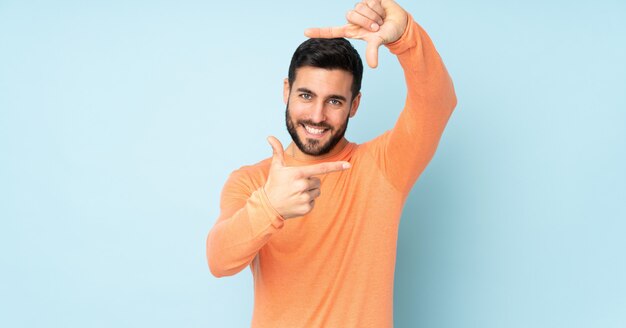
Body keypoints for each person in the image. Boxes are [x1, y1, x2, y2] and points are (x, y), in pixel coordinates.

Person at [206, 0, 457, 326]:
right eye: (306, 95)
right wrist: (269, 206)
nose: (316, 116)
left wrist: (406, 35)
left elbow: (438, 104)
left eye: (334, 101)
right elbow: (219, 260)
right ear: (287, 91)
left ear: (354, 105)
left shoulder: (383, 166)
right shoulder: (252, 182)